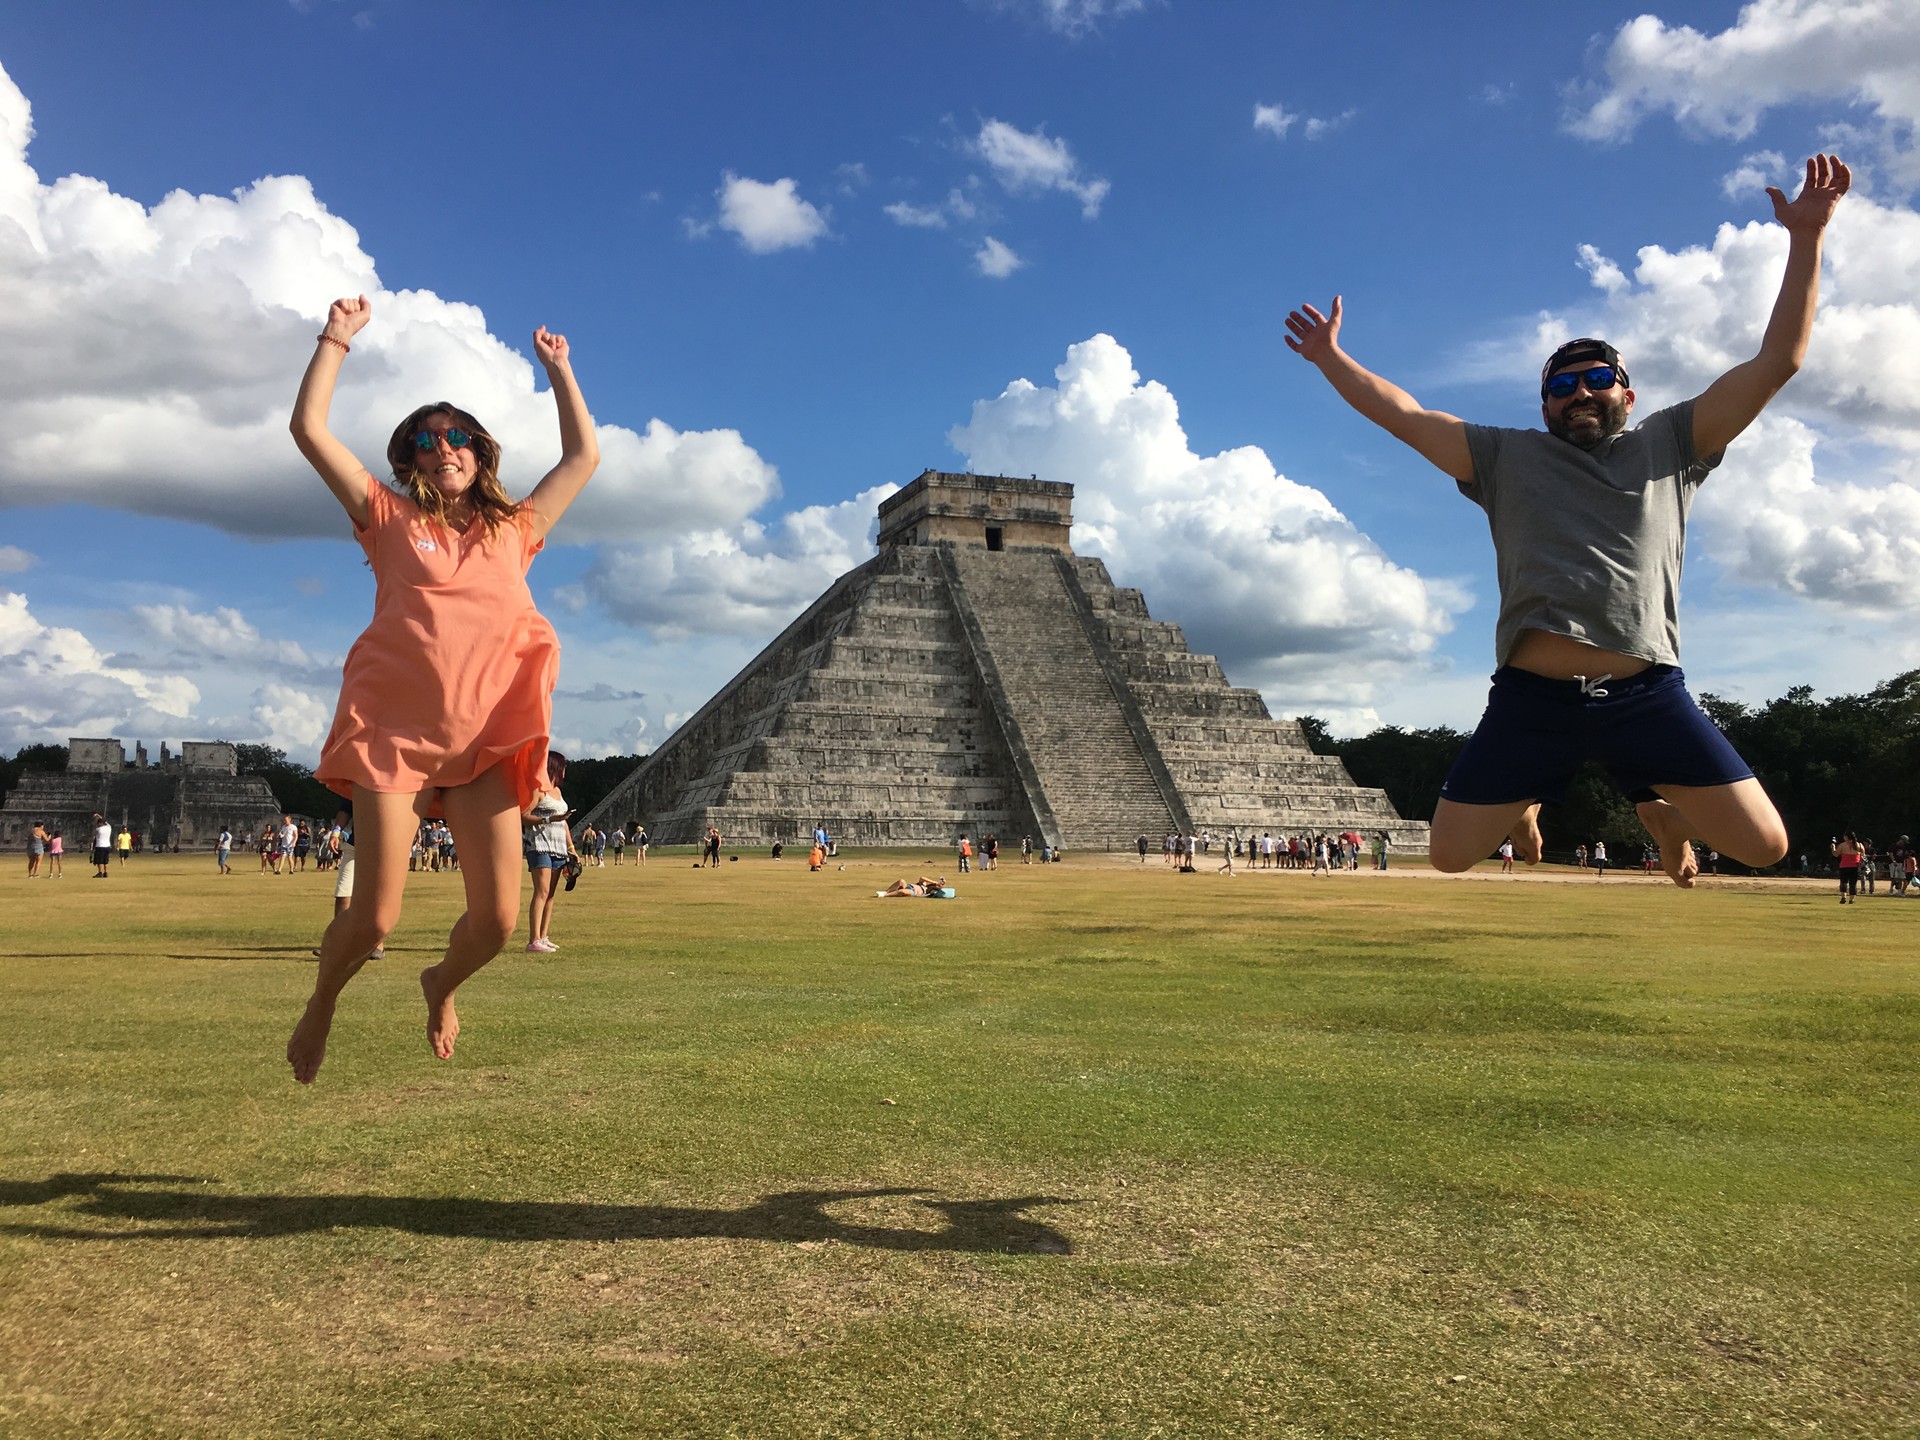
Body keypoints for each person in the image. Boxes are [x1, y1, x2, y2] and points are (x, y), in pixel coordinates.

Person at [1286, 155, 1850, 890]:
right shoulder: (1504, 457)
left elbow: (1778, 361)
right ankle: (1533, 800)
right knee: (1451, 856)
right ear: (1545, 405)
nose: (1579, 392)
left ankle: (1657, 802)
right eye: (1560, 385)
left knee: (1766, 845)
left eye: (1595, 379)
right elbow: (1409, 417)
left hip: (1646, 693)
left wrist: (1806, 237)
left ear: (1627, 393)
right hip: (1532, 699)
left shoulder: (1674, 443)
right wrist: (1332, 358)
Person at [285, 294, 598, 1084]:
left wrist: (560, 373)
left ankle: (440, 984)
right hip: (394, 734)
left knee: (494, 922)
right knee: (375, 915)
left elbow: (582, 460)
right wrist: (337, 339)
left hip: (484, 741)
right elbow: (310, 431)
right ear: (410, 460)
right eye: (426, 442)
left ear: (480, 453)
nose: (442, 448)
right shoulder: (385, 516)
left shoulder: (513, 528)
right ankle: (323, 999)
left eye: (456, 437)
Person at [523, 752, 577, 952]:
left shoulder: (557, 792)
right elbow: (524, 816)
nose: (565, 771)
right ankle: (533, 939)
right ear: (555, 767)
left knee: (551, 894)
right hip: (539, 845)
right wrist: (548, 820)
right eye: (563, 767)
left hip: (558, 847)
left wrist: (571, 848)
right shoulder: (538, 790)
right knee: (541, 891)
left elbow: (563, 823)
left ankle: (543, 936)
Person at [1834, 832, 1864, 905]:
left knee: (1843, 882)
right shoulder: (1859, 845)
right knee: (1853, 884)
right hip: (1855, 866)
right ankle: (1851, 899)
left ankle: (1843, 897)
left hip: (1844, 866)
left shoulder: (1842, 845)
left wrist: (1833, 848)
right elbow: (1863, 855)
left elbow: (1836, 854)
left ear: (1847, 837)